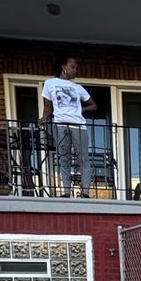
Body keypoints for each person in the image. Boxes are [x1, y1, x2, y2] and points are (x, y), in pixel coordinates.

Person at [41, 56, 96, 196]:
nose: (75, 70)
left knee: (83, 159)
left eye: (76, 67)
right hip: (61, 125)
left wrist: (83, 109)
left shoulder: (78, 87)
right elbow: (48, 106)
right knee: (64, 157)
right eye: (73, 67)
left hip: (79, 126)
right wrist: (44, 118)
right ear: (63, 67)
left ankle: (85, 192)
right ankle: (66, 192)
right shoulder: (50, 83)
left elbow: (94, 105)